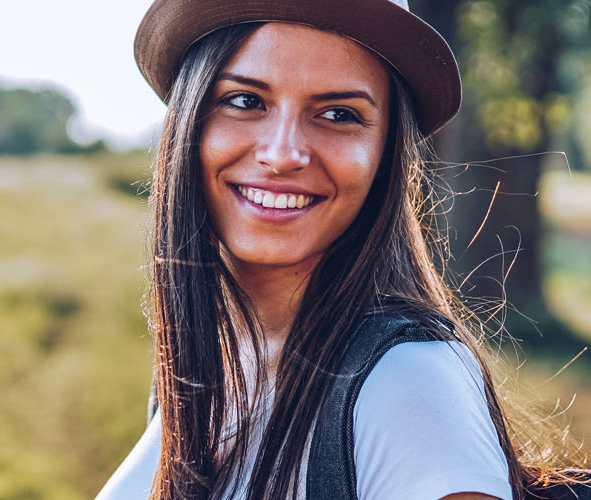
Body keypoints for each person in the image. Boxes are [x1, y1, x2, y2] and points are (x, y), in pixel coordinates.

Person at [96, 0, 566, 498]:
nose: (282, 154)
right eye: (244, 101)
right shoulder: (206, 361)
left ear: (387, 153)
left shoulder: (410, 385)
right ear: (189, 119)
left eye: (339, 113)